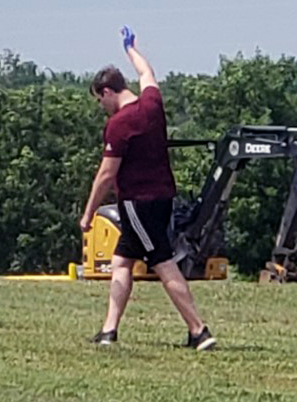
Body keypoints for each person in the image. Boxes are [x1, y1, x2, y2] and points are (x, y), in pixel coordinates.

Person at [79, 28, 215, 350]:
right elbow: (147, 72)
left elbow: (106, 175)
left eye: (100, 100)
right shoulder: (152, 104)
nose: (102, 107)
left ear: (107, 91)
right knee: (122, 261)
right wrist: (131, 48)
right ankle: (108, 331)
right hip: (163, 197)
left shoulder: (119, 124)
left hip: (138, 202)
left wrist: (88, 213)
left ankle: (199, 330)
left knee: (162, 261)